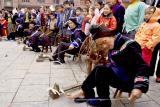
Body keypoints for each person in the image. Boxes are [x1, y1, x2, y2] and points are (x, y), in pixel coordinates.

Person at [67, 25, 150, 107]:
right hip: (120, 76)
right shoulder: (115, 43)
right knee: (99, 68)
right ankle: (87, 92)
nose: (104, 46)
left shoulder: (129, 45)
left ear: (111, 35)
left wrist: (139, 87)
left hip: (129, 82)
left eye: (104, 42)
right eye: (101, 44)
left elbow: (142, 66)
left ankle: (100, 100)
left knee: (101, 71)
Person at [135, 6, 160, 82]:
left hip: (146, 49)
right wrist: (135, 42)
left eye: (149, 14)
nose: (146, 15)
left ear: (155, 14)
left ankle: (142, 79)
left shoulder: (157, 25)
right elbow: (138, 33)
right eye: (146, 14)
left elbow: (156, 37)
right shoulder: (144, 24)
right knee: (137, 62)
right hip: (138, 46)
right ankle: (136, 76)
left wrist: (148, 46)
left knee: (144, 64)